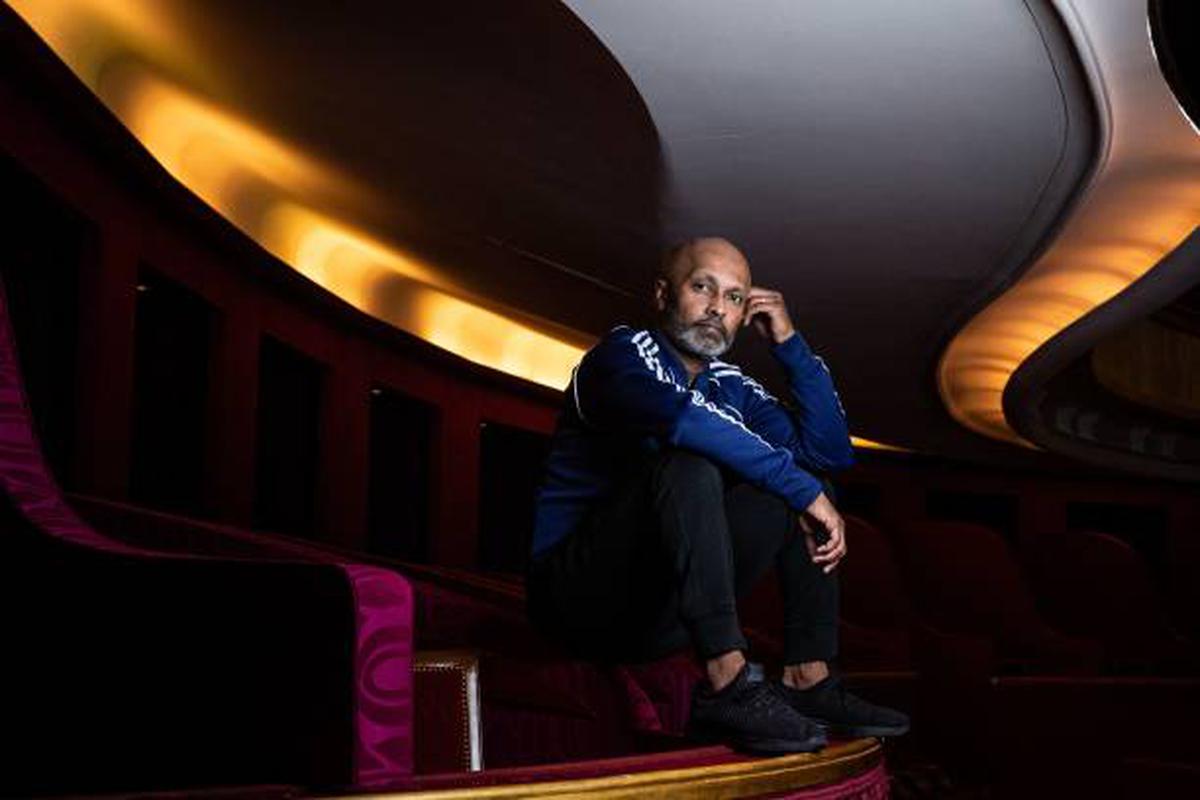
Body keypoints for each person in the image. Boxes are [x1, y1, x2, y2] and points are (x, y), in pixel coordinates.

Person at [526, 237, 909, 754]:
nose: (716, 308)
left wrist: (789, 345)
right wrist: (798, 487)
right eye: (702, 286)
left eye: (733, 298)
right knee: (690, 464)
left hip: (660, 614)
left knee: (809, 486)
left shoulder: (733, 385)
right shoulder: (620, 356)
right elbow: (684, 422)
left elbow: (829, 453)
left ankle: (808, 678)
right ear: (663, 294)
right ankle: (727, 684)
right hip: (577, 601)